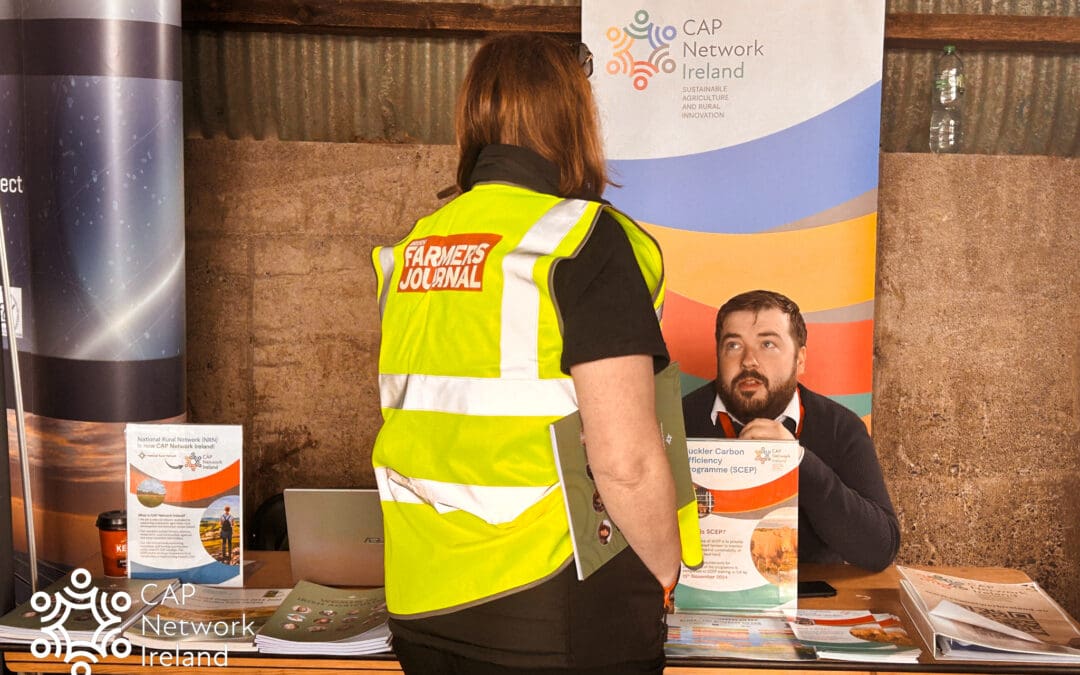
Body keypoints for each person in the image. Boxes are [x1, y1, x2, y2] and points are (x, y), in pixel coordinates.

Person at [371, 34, 684, 674]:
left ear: (473, 121)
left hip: (422, 603)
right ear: (576, 122)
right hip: (552, 604)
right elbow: (624, 460)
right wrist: (665, 566)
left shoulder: (410, 251)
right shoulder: (583, 240)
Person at [681, 290, 900, 572]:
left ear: (800, 360)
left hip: (810, 603)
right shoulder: (677, 420)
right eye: (733, 345)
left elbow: (880, 549)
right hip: (699, 599)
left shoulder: (840, 427)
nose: (749, 361)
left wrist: (799, 463)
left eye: (768, 344)